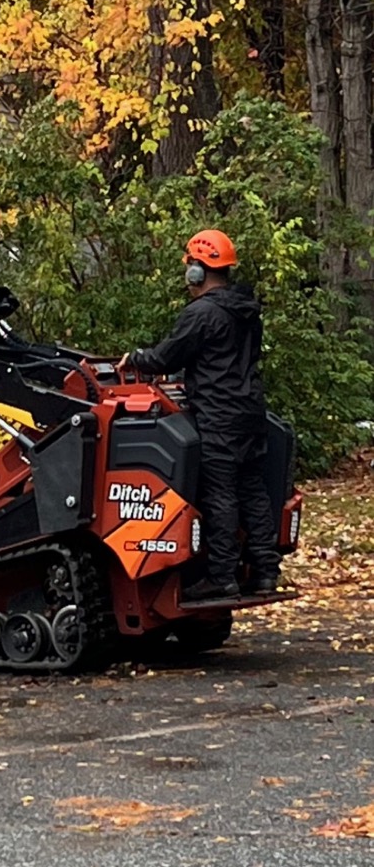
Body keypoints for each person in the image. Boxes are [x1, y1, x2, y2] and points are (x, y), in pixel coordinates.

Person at [120, 230, 280, 601]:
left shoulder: (202, 313)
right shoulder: (246, 310)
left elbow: (166, 358)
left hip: (219, 413)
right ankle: (266, 571)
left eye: (190, 267)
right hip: (250, 411)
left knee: (220, 493)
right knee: (252, 489)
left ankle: (221, 576)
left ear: (198, 271)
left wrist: (138, 358)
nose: (187, 275)